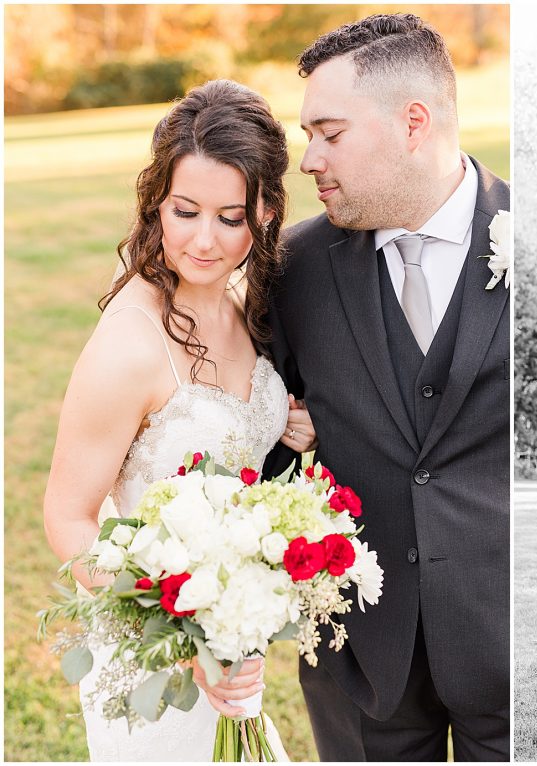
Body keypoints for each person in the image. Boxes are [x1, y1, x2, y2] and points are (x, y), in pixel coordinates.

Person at [42, 79, 316, 761]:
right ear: (156, 201)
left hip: (229, 640)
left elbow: (233, 453)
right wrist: (185, 633)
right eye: (185, 211)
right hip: (153, 655)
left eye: (231, 217)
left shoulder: (245, 300)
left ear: (267, 211)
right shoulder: (129, 345)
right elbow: (68, 518)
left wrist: (285, 426)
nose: (204, 240)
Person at [263, 13, 510, 761]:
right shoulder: (292, 268)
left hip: (508, 653)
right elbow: (259, 449)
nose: (309, 160)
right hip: (360, 660)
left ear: (413, 123)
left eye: (329, 133)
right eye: (308, 135)